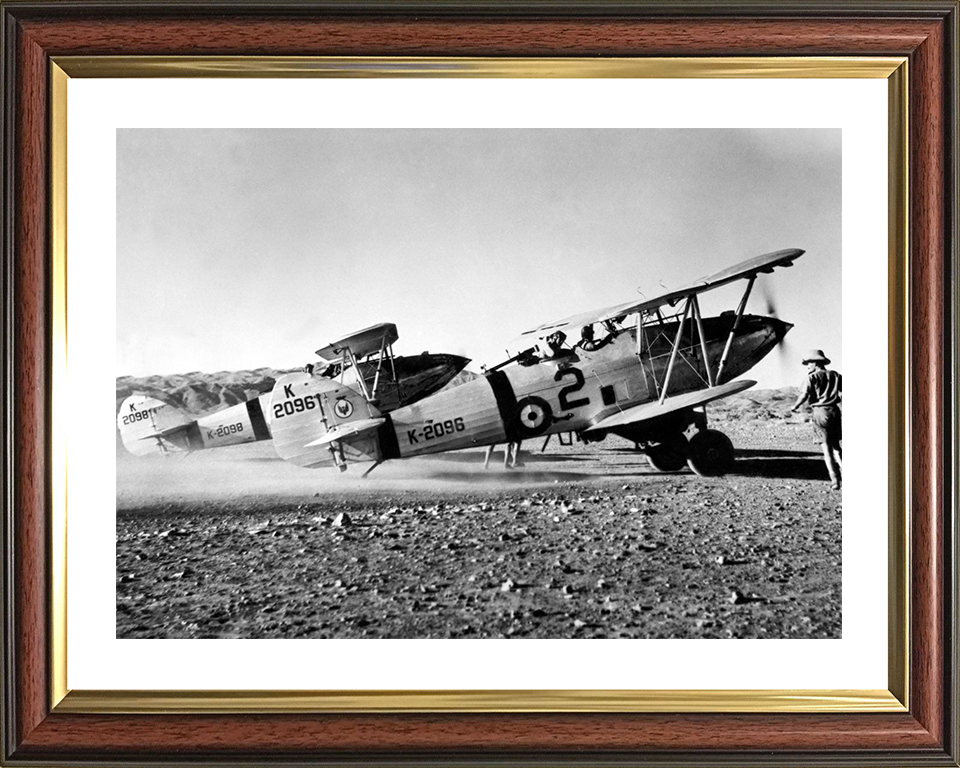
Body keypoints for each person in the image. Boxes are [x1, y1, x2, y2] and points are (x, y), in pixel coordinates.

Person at [790, 349, 842, 489]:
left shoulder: (811, 377)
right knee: (836, 446)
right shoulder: (836, 375)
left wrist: (795, 406)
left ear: (815, 363)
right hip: (835, 411)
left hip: (820, 412)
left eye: (809, 363)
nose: (807, 366)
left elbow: (804, 395)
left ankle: (835, 480)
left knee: (826, 449)